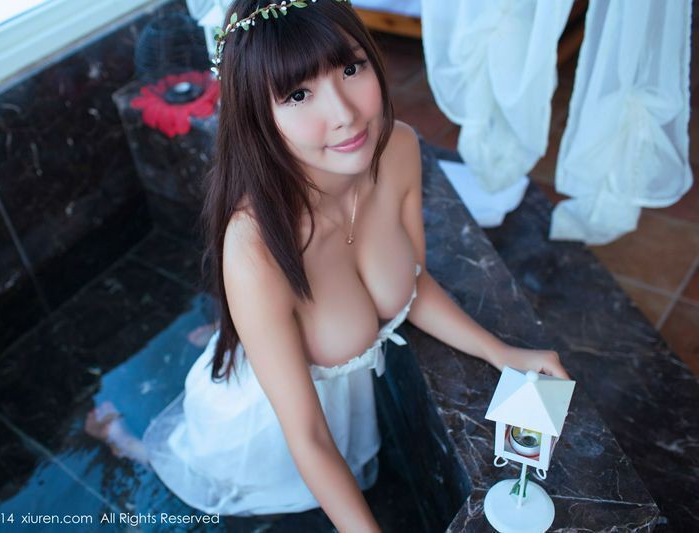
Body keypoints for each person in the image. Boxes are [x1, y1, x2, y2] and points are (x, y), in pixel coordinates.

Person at [85, 1, 571, 531]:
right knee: (217, 480)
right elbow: (308, 437)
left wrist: (501, 353)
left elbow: (412, 284)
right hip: (262, 424)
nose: (344, 113)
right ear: (258, 114)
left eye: (351, 67)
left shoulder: (399, 148)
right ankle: (127, 440)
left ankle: (241, 332)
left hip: (341, 405)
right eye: (298, 94)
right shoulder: (254, 245)